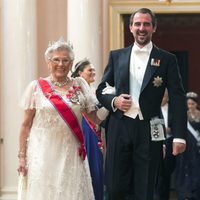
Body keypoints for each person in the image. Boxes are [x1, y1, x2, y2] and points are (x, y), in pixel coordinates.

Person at [96, 8, 187, 200]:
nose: (142, 28)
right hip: (119, 126)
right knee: (114, 186)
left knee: (145, 187)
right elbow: (101, 89)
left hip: (150, 127)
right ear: (130, 28)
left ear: (154, 27)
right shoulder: (116, 56)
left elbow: (178, 97)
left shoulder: (167, 59)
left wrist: (179, 136)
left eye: (146, 24)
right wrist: (114, 101)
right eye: (137, 24)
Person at [17, 38, 102, 200]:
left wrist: (114, 105)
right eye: (56, 59)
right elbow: (25, 125)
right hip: (42, 154)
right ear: (48, 62)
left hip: (71, 154)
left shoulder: (80, 85)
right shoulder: (36, 87)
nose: (61, 64)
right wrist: (22, 157)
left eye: (65, 60)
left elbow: (95, 117)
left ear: (71, 64)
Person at [71, 58, 104, 200]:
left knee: (97, 173)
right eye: (90, 70)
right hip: (83, 131)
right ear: (80, 73)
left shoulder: (97, 91)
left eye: (94, 69)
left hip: (95, 134)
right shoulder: (75, 91)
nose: (93, 72)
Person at [176, 92, 200, 200]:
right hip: (187, 146)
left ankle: (195, 194)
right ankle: (185, 193)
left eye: (192, 104)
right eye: (189, 104)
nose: (190, 106)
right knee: (185, 168)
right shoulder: (184, 115)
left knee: (196, 168)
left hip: (197, 147)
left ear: (196, 104)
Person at [154, 89, 176, 200]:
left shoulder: (173, 109)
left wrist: (171, 130)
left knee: (167, 173)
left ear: (168, 98)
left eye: (164, 97)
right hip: (157, 144)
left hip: (170, 143)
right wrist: (163, 129)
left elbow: (178, 125)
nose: (162, 99)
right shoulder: (153, 108)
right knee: (157, 174)